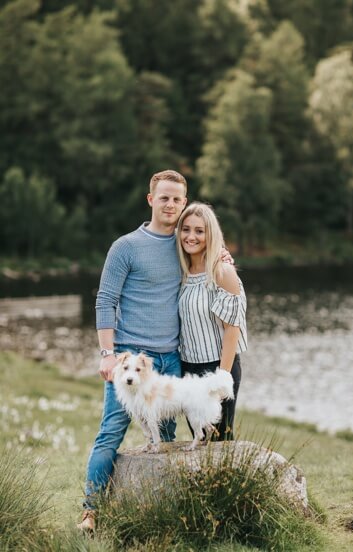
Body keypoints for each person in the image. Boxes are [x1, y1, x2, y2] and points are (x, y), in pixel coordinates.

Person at [80, 170, 188, 531]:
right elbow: (106, 300)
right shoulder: (125, 246)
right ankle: (90, 511)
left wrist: (225, 262)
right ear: (151, 200)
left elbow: (212, 267)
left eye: (177, 199)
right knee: (111, 431)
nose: (170, 204)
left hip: (169, 360)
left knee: (167, 438)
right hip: (129, 360)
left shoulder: (185, 245)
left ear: (184, 204)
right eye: (164, 197)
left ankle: (163, 514)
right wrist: (106, 353)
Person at [175, 202, 247, 443]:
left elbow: (231, 329)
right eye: (186, 229)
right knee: (199, 438)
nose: (191, 236)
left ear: (210, 234)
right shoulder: (181, 272)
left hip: (218, 366)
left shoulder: (222, 272)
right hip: (188, 369)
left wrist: (221, 379)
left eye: (199, 230)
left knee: (220, 441)